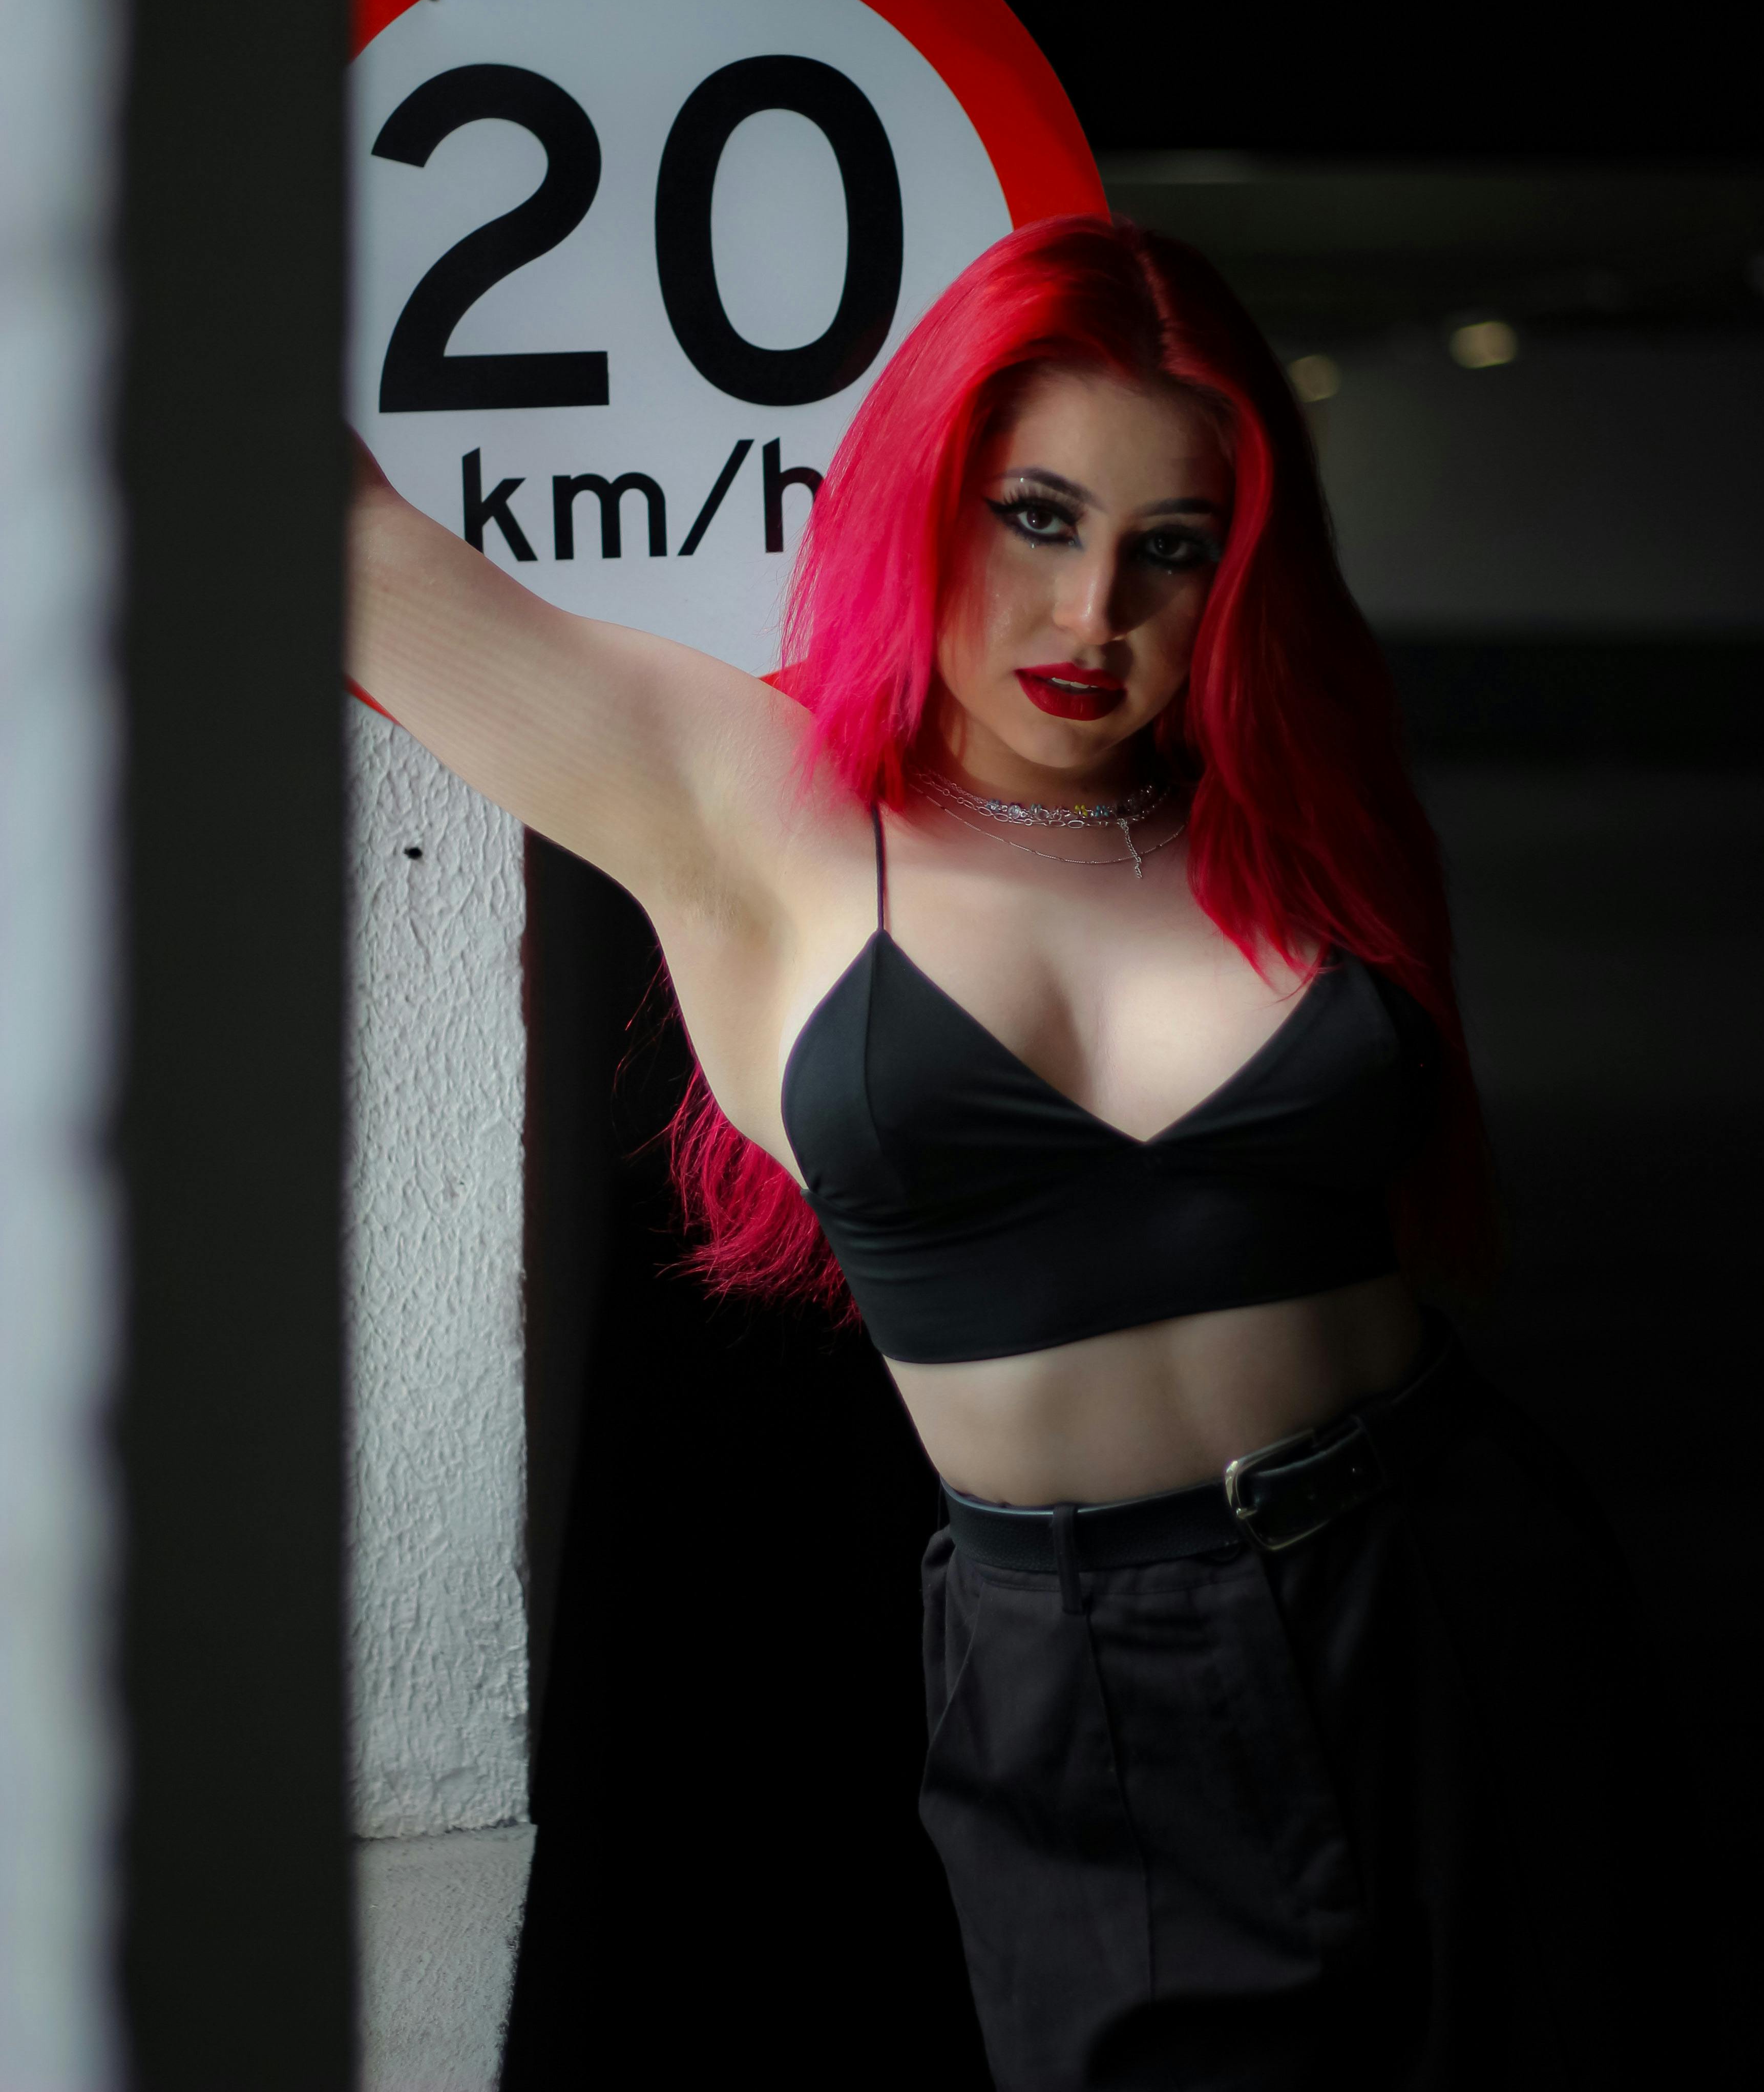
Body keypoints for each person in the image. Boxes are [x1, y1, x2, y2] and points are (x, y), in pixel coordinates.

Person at [349, 217, 1679, 2089]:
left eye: (1173, 547)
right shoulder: (759, 806)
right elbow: (334, 534)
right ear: (929, 501)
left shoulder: (1279, 816)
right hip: (1095, 1666)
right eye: (1038, 518)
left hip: (1454, 1579)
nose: (1094, 615)